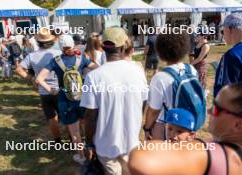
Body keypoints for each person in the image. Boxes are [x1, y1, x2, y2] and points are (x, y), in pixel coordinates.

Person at [129, 83, 242, 175]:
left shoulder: (213, 153)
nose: (209, 110)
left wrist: (198, 144)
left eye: (217, 108)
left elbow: (140, 159)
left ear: (238, 124)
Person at [80, 27, 148, 175]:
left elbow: (90, 116)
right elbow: (143, 103)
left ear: (103, 47)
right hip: (131, 141)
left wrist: (89, 144)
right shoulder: (138, 71)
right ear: (124, 46)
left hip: (105, 145)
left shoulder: (93, 77)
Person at [36, 34, 93, 165]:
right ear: (73, 44)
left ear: (60, 47)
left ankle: (81, 157)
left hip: (65, 98)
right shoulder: (82, 58)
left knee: (74, 132)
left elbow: (39, 79)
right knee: (86, 125)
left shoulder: (55, 61)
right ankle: (91, 151)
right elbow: (97, 68)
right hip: (82, 96)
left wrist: (52, 90)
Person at [144, 31, 202, 140]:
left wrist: (147, 128)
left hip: (167, 127)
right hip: (187, 126)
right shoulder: (191, 70)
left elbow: (154, 110)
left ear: (160, 51)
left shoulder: (160, 77)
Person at [15, 28, 62, 144]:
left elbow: (18, 69)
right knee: (66, 115)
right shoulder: (59, 54)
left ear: (38, 42)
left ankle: (57, 140)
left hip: (43, 91)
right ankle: (72, 139)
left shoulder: (32, 56)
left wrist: (31, 79)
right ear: (53, 41)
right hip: (60, 89)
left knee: (51, 117)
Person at [214, 13, 242, 98]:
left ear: (230, 29)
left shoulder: (232, 55)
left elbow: (223, 92)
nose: (223, 34)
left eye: (223, 31)